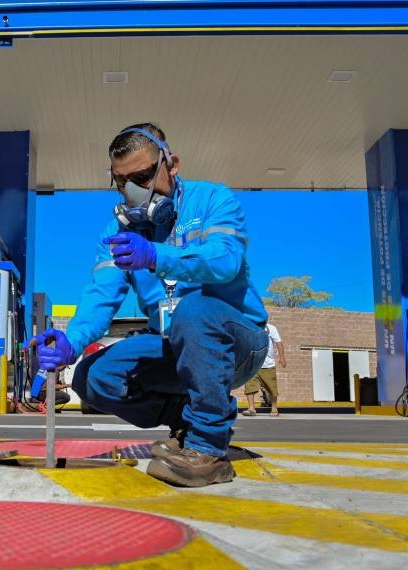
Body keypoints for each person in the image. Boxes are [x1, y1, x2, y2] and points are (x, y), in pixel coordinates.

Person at [30, 123, 269, 487]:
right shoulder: (117, 232)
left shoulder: (213, 201)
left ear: (170, 164)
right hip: (176, 346)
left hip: (239, 343)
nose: (132, 190)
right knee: (93, 378)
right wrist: (71, 343)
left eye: (142, 176)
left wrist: (157, 254)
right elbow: (100, 295)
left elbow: (226, 260)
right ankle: (188, 422)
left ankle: (208, 450)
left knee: (194, 308)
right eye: (121, 180)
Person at [235, 322, 285, 416]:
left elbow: (278, 342)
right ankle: (251, 409)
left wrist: (282, 358)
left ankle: (274, 409)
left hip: (268, 365)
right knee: (249, 386)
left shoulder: (271, 328)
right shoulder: (248, 327)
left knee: (272, 387)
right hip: (252, 364)